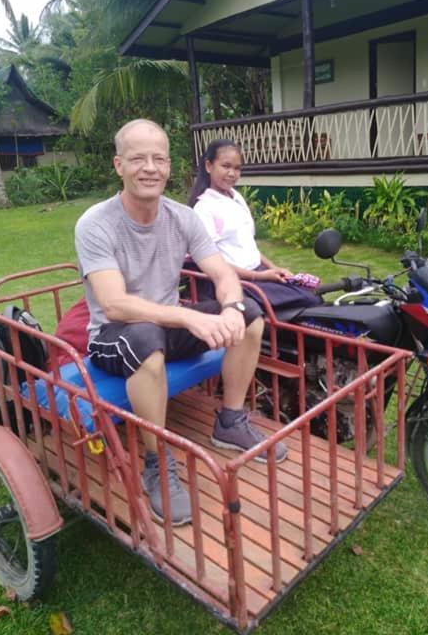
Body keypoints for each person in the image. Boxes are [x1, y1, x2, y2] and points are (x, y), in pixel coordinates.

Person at [74, 120, 287, 527]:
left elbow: (224, 274)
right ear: (119, 165)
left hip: (165, 326)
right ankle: (156, 462)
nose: (149, 167)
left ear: (169, 166)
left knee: (251, 315)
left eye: (158, 158)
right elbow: (115, 304)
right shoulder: (95, 223)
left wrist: (228, 309)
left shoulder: (183, 217)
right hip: (113, 337)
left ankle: (229, 420)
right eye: (138, 158)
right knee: (146, 340)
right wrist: (190, 316)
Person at [188, 139, 322, 310]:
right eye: (226, 166)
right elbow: (211, 262)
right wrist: (258, 277)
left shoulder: (236, 197)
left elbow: (249, 247)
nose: (232, 173)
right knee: (309, 301)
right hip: (236, 281)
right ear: (209, 166)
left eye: (237, 168)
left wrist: (274, 268)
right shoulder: (204, 208)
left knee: (311, 293)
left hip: (257, 273)